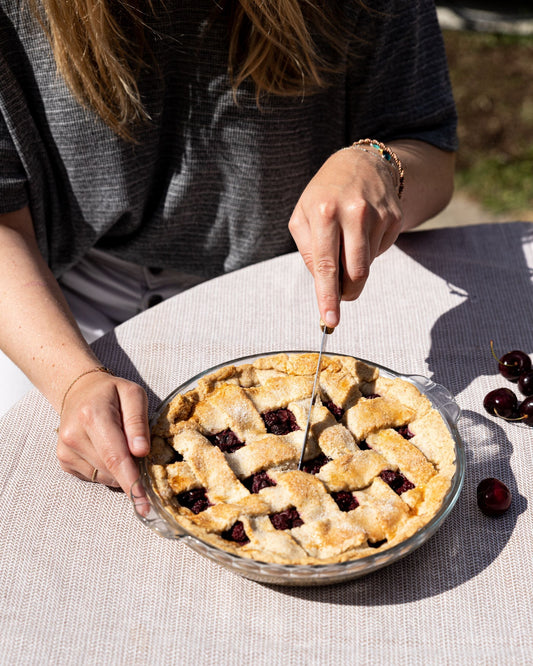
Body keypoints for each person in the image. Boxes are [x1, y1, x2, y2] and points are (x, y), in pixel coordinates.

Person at [0, 0, 457, 498]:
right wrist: (72, 380)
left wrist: (379, 164)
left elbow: (432, 155)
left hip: (281, 291)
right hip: (55, 308)